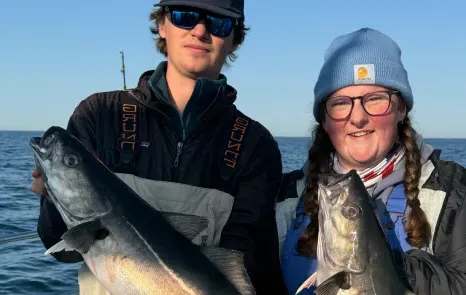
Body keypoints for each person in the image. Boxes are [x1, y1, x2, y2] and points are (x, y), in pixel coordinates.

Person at [30, 1, 287, 294]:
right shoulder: (100, 115)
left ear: (235, 38)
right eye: (184, 16)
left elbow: (245, 262)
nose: (200, 30)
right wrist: (52, 199)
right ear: (162, 25)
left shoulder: (255, 145)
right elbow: (60, 247)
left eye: (219, 23)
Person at [275, 27, 466, 295]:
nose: (358, 117)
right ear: (323, 119)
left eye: (375, 99)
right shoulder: (283, 195)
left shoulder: (457, 191)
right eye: (340, 103)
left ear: (401, 109)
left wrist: (386, 263)